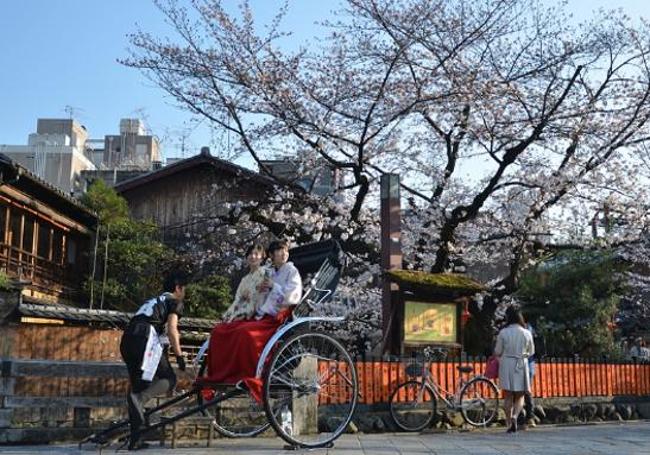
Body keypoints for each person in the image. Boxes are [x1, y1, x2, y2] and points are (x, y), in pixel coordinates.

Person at [120, 271, 188, 451]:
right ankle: (141, 398)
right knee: (169, 379)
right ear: (177, 288)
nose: (184, 293)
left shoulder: (152, 301)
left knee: (138, 386)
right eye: (183, 289)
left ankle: (135, 440)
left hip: (128, 339)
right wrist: (180, 357)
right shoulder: (175, 301)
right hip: (145, 338)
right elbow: (172, 330)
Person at [494, 307, 535, 433]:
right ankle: (515, 416)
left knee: (508, 396)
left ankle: (508, 422)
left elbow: (497, 351)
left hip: (506, 363)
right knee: (520, 395)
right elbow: (531, 351)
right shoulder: (526, 333)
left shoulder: (503, 332)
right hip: (521, 363)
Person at [220, 244, 268, 322]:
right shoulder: (245, 279)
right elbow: (238, 298)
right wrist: (230, 314)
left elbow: (262, 296)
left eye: (256, 254)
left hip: (254, 313)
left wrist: (250, 297)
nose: (253, 256)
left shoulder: (264, 274)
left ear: (262, 258)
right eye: (250, 254)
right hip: (240, 310)